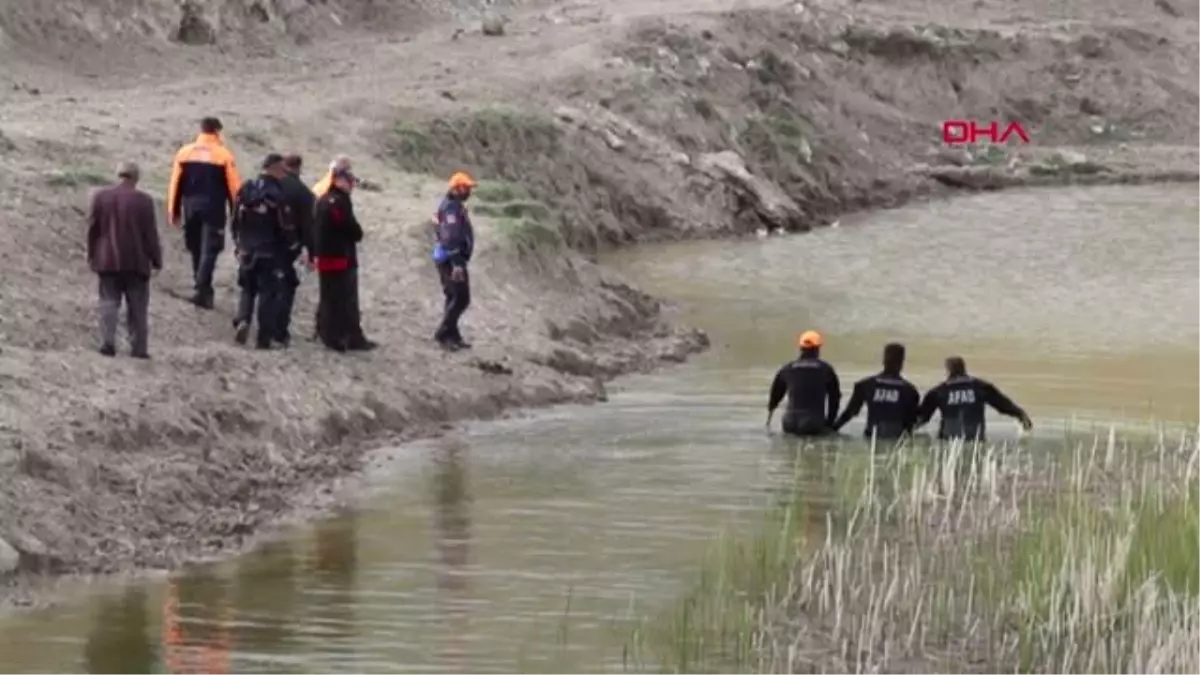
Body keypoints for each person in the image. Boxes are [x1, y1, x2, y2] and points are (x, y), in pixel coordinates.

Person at [87, 161, 163, 359]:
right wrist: (156, 260)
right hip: (137, 261)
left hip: (107, 259)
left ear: (118, 174)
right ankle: (138, 348)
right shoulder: (144, 201)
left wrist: (92, 254)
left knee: (109, 302)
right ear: (136, 178)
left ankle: (107, 343)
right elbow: (150, 234)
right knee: (137, 307)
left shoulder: (101, 196)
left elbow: (93, 230)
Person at [166, 117, 242, 309]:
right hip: (213, 207)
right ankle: (202, 287)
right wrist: (237, 212)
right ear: (217, 131)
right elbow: (234, 188)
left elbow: (175, 184)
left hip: (190, 206)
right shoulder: (224, 155)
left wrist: (173, 210)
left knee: (195, 246)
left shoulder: (184, 152)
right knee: (211, 248)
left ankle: (201, 287)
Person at [230, 154, 294, 349]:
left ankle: (243, 319)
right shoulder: (278, 195)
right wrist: (289, 247)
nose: (285, 174)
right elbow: (285, 226)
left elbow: (234, 218)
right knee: (268, 293)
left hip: (246, 248)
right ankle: (263, 339)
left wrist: (238, 243)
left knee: (247, 288)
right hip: (269, 251)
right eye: (283, 170)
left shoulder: (246, 189)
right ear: (274, 168)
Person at [313, 165, 377, 352]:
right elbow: (349, 227)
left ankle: (333, 334)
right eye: (349, 181)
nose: (351, 186)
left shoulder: (324, 199)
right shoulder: (337, 202)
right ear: (338, 180)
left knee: (330, 297)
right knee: (340, 299)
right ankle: (335, 337)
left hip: (327, 256)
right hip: (339, 257)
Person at [916, 356, 1033, 441]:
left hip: (948, 441)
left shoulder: (938, 392)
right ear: (964, 370)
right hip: (975, 440)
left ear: (947, 372)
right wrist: (1021, 415)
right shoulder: (981, 387)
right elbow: (1003, 406)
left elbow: (921, 419)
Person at [832, 342, 921, 441]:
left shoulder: (865, 385)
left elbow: (849, 414)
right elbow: (911, 424)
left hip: (871, 438)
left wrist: (831, 430)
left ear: (884, 360)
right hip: (896, 441)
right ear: (901, 362)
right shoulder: (910, 391)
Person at [432, 171, 477, 351]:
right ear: (457, 188)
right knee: (461, 298)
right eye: (466, 187)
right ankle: (444, 333)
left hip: (451, 258)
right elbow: (450, 237)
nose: (469, 191)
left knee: (453, 296)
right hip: (451, 259)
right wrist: (457, 263)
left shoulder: (454, 206)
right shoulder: (451, 208)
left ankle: (452, 333)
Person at [766, 330, 842, 436]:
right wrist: (830, 423)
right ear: (818, 348)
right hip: (812, 422)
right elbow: (835, 398)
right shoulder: (825, 369)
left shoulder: (787, 368)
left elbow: (775, 397)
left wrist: (769, 419)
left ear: (800, 348)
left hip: (789, 422)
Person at [278, 153, 315, 346]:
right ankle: (280, 331)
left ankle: (257, 324)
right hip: (291, 245)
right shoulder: (304, 193)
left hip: (266, 242)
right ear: (299, 167)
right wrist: (312, 252)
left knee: (266, 287)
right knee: (287, 287)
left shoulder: (273, 185)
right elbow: (309, 226)